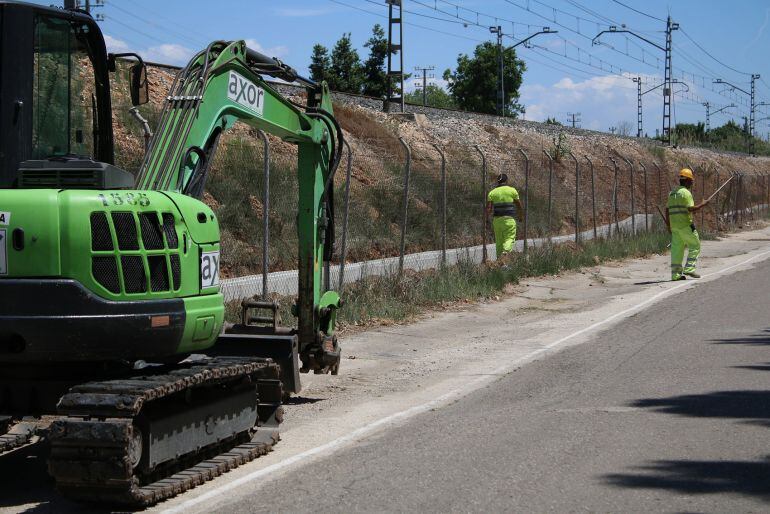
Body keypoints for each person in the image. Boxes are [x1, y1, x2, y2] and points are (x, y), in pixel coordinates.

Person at [666, 168, 710, 281]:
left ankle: (675, 275)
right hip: (685, 225)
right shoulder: (686, 193)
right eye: (691, 181)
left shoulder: (672, 193)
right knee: (695, 245)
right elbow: (691, 209)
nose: (692, 183)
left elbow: (667, 210)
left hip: (675, 227)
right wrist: (703, 204)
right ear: (686, 181)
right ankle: (689, 269)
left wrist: (668, 225)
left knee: (676, 251)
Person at [486, 173, 524, 258]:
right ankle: (505, 252)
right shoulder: (512, 190)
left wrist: (486, 220)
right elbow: (519, 206)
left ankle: (500, 262)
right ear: (506, 181)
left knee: (499, 241)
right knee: (510, 238)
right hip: (509, 220)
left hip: (497, 221)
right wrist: (521, 216)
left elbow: (488, 208)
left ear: (498, 182)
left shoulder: (492, 192)